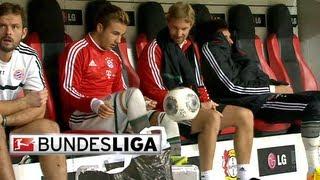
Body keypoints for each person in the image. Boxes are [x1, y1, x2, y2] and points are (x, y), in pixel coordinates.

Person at [137, 2, 258, 180]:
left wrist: (206, 101)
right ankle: (206, 176)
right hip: (164, 112)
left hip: (191, 107)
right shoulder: (154, 48)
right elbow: (154, 91)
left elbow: (199, 83)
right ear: (167, 22)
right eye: (174, 27)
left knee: (245, 115)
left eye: (184, 28)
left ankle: (244, 175)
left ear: (191, 25)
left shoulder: (190, 48)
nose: (179, 33)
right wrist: (195, 104)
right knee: (212, 118)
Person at [198, 18, 320, 180]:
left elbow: (258, 78)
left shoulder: (235, 53)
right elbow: (232, 87)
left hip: (264, 96)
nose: (231, 41)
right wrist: (274, 89)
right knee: (313, 105)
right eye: (226, 37)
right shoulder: (211, 48)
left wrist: (280, 85)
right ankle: (314, 172)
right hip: (255, 103)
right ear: (217, 36)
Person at [59, 4, 182, 155]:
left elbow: (121, 92)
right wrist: (93, 103)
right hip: (82, 116)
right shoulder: (77, 50)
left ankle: (176, 166)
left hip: (111, 113)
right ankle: (148, 156)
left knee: (167, 120)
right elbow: (67, 90)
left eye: (121, 35)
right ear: (99, 28)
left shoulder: (114, 56)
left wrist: (141, 103)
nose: (119, 40)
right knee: (133, 94)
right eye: (115, 33)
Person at [0, 2, 67, 180]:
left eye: (14, 27)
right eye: (2, 26)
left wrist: (6, 119)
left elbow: (39, 109)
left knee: (50, 129)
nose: (8, 32)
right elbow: (30, 102)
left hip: (10, 125)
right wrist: (24, 102)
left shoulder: (28, 55)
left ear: (23, 32)